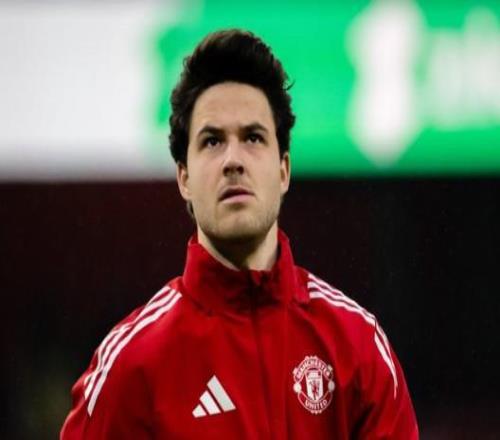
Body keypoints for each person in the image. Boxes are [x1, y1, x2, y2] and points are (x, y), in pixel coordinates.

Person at [61, 29, 418, 439]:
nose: (233, 160)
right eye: (212, 141)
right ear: (184, 177)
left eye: (253, 137)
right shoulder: (131, 366)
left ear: (283, 170)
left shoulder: (358, 347)